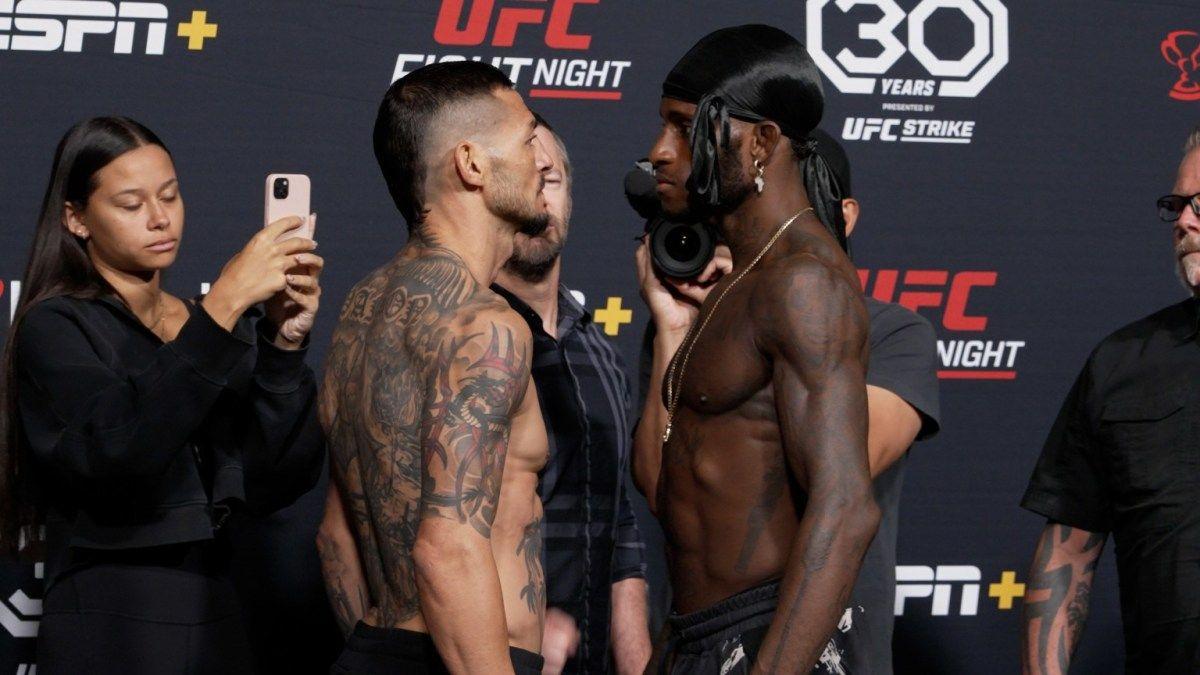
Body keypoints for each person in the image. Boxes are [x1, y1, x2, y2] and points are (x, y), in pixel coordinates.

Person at [0, 116, 326, 674]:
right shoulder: (54, 326)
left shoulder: (204, 327)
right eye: (130, 204)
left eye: (170, 196)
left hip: (222, 601)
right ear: (76, 219)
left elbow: (276, 479)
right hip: (113, 606)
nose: (159, 218)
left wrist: (282, 346)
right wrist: (223, 308)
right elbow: (119, 452)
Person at [630, 25, 879, 673]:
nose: (659, 152)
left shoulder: (804, 281)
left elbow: (846, 507)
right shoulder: (737, 279)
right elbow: (667, 488)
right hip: (695, 632)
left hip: (765, 634)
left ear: (762, 142)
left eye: (684, 127)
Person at [317, 61, 552, 674]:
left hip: (374, 649)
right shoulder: (486, 326)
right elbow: (447, 549)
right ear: (471, 164)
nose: (543, 161)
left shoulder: (360, 310)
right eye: (528, 139)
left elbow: (336, 537)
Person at [1020, 125, 1200, 674]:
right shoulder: (1123, 363)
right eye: (1178, 206)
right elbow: (1068, 552)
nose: (1185, 223)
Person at [493, 114, 652, 674]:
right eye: (524, 179)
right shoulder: (458, 340)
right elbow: (427, 528)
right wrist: (520, 626)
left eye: (551, 179)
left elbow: (620, 525)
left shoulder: (600, 353)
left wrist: (637, 663)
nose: (539, 197)